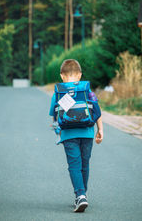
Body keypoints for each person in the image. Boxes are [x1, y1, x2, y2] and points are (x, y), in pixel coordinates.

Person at [49, 59, 103, 212]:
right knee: (84, 165)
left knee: (74, 165)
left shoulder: (58, 91)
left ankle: (80, 195)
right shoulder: (87, 90)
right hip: (87, 133)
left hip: (68, 135)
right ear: (80, 75)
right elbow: (97, 111)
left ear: (62, 76)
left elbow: (54, 114)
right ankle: (82, 194)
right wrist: (100, 130)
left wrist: (58, 131)